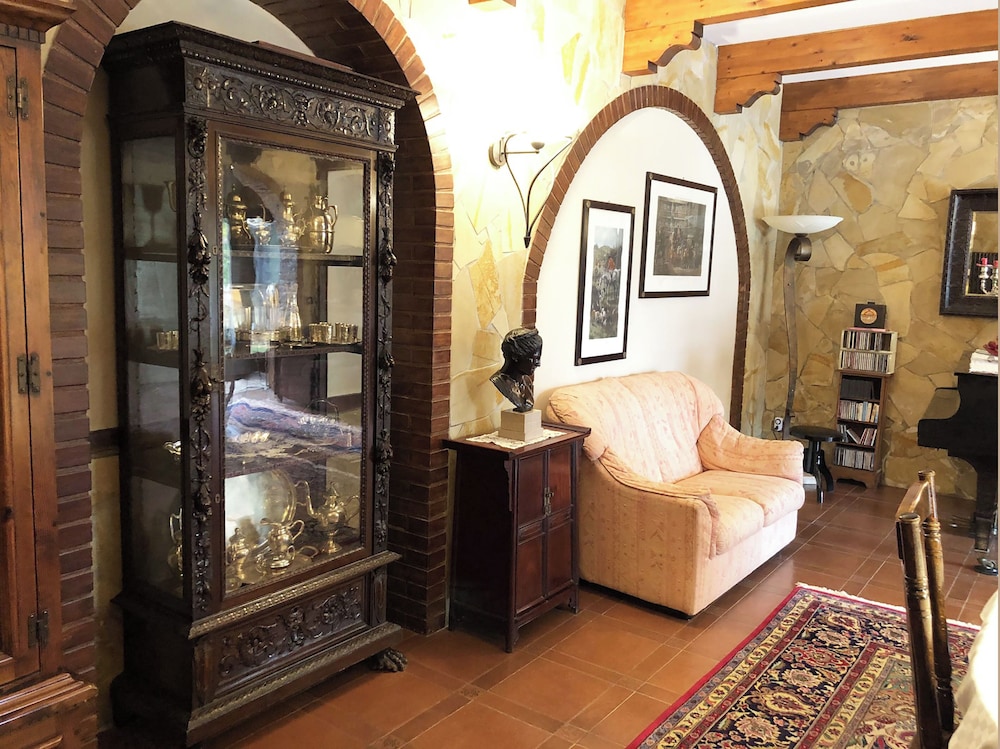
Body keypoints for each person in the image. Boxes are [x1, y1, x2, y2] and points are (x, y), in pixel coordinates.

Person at [490, 327, 543, 413]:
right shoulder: (499, 381)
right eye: (534, 359)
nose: (538, 364)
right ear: (515, 356)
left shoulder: (526, 381)